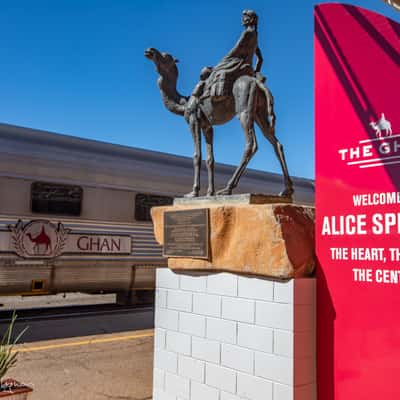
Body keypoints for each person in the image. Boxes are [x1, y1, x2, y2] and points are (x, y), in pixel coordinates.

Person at [202, 9, 264, 98]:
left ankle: (208, 93)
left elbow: (236, 49)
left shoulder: (247, 33)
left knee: (216, 70)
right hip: (249, 69)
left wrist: (224, 60)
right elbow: (261, 59)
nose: (243, 19)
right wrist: (255, 72)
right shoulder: (255, 36)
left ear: (251, 20)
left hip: (239, 65)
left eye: (246, 17)